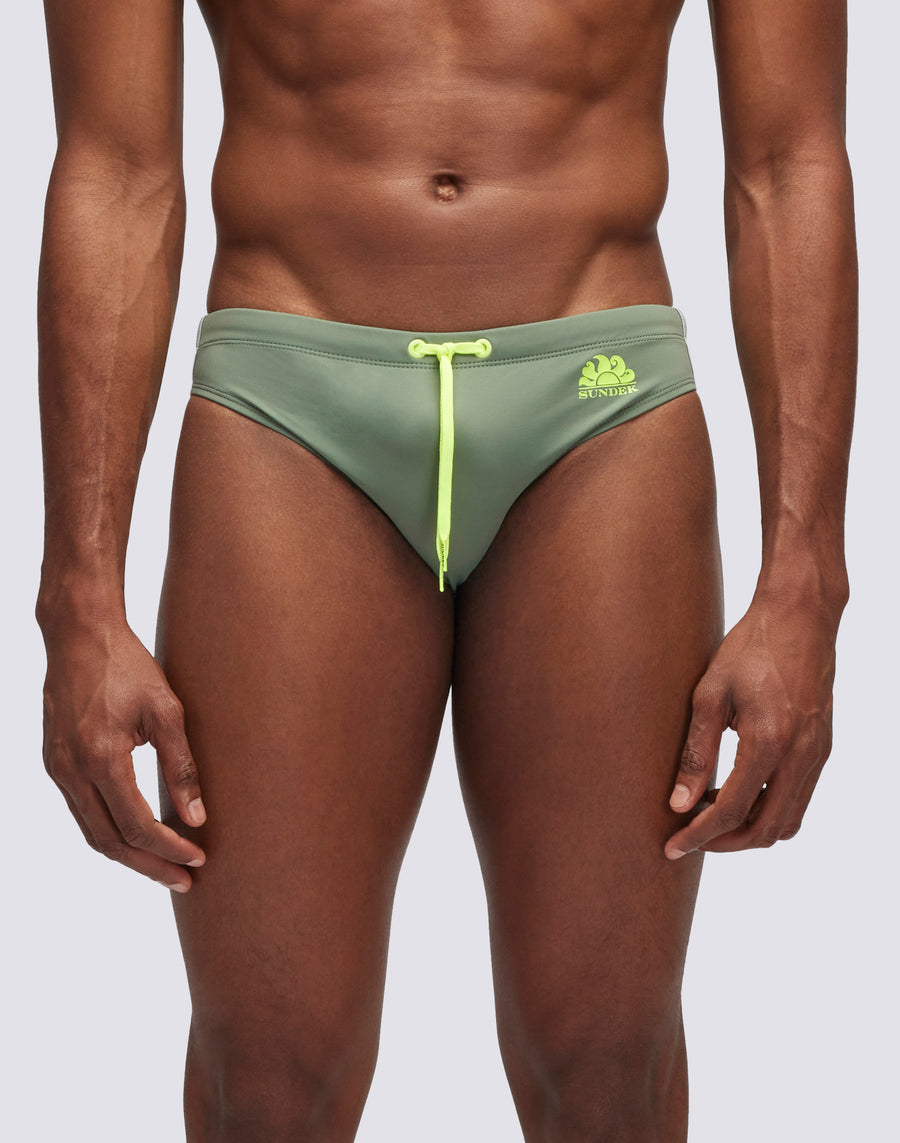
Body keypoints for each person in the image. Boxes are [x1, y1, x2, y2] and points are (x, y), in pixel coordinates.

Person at [34, 0, 856, 1139]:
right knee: (266, 1082)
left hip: (599, 397)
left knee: (605, 1072)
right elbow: (115, 167)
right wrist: (79, 595)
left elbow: (788, 158)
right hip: (288, 402)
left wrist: (807, 583)